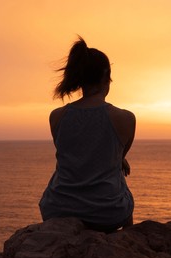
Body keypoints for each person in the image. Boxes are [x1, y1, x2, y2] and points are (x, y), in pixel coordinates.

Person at [39, 36, 135, 233]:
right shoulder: (125, 118)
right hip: (107, 214)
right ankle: (127, 244)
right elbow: (119, 154)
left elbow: (75, 150)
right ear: (106, 75)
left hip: (58, 209)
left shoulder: (57, 116)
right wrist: (120, 159)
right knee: (122, 187)